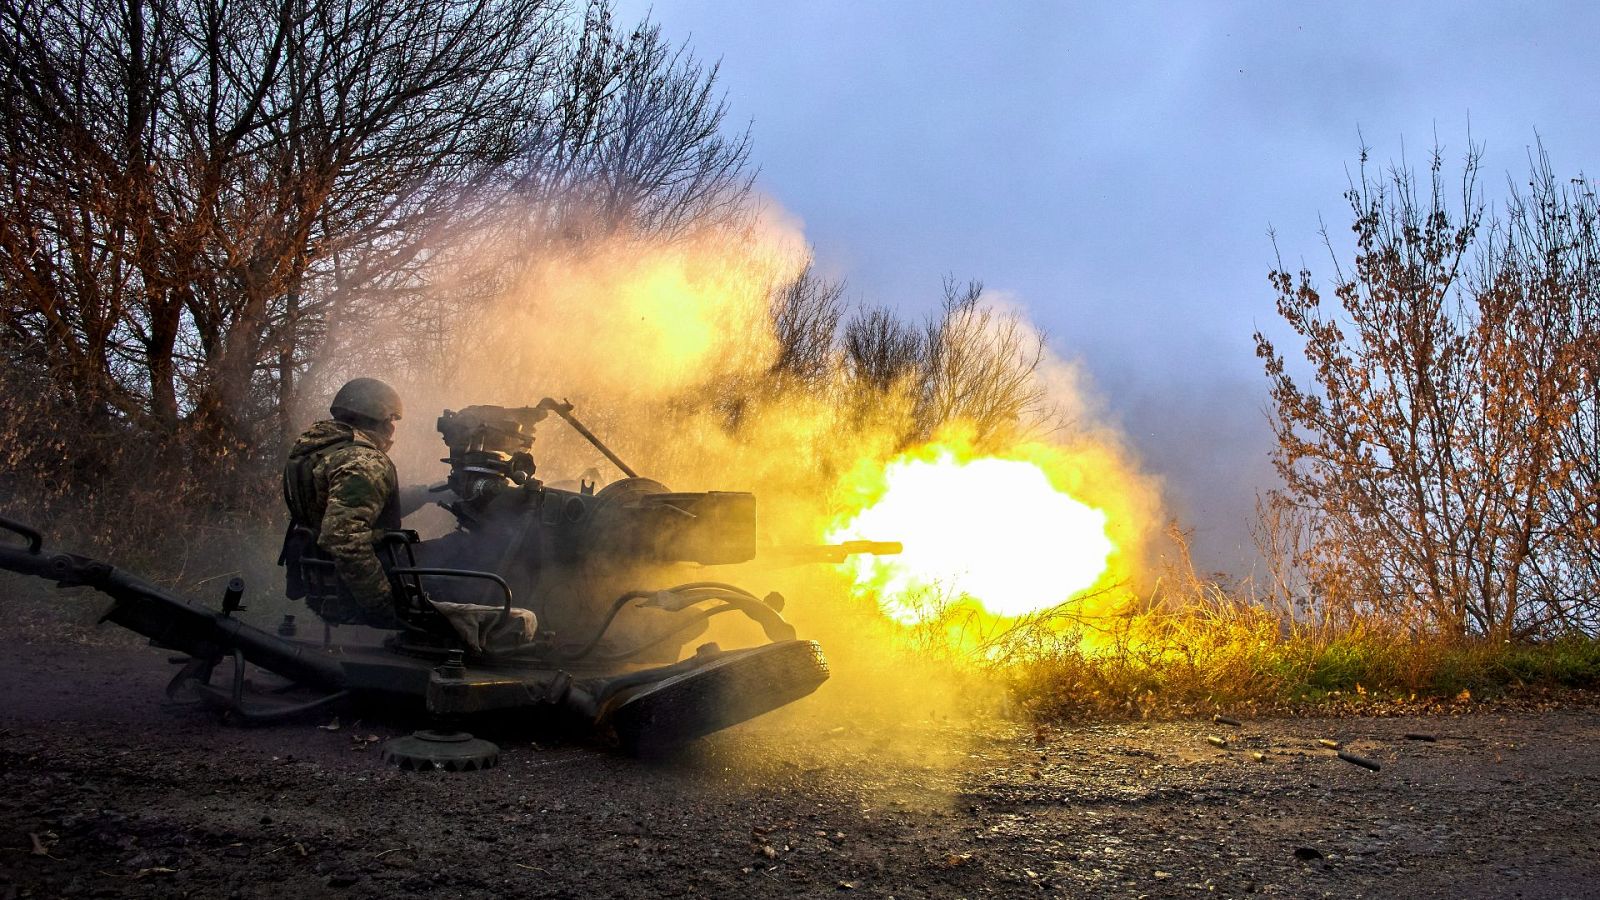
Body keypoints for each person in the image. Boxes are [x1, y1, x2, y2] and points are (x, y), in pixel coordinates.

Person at [280, 377, 407, 628]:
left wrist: (425, 495)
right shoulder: (363, 461)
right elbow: (344, 538)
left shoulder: (320, 450)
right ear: (382, 420)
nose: (393, 427)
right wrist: (384, 607)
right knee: (458, 559)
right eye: (392, 419)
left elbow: (342, 502)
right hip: (352, 591)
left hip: (324, 580)